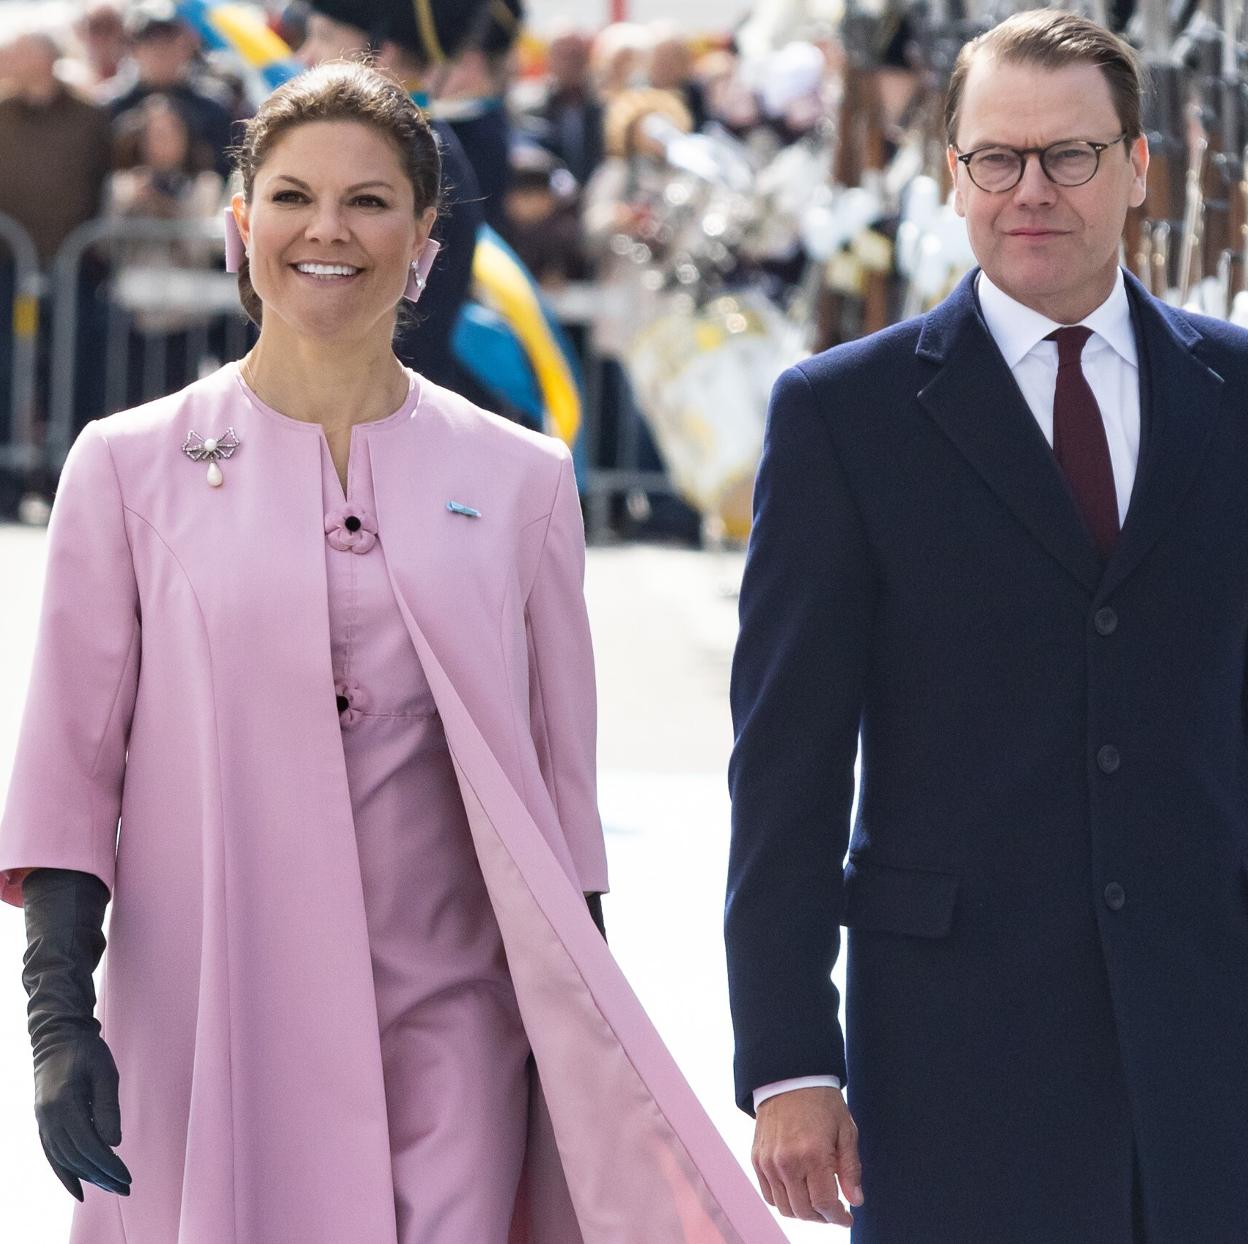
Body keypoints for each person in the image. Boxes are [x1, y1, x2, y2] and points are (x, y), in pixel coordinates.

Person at [0, 60, 785, 1244]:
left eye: (370, 201)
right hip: (213, 1014)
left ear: (425, 240)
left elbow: (561, 803)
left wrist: (580, 1054)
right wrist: (59, 1019)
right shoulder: (127, 466)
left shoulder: (523, 480)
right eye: (293, 195)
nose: (328, 228)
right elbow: (68, 765)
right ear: (240, 225)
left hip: (454, 1031)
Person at [726, 9, 1248, 1242]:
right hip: (954, 1048)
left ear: (1139, 169)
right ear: (950, 174)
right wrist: (790, 1056)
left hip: (1208, 1029)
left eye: (1071, 155)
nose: (1033, 190)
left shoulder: (1235, 396)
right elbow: (788, 763)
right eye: (996, 158)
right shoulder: (843, 417)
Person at [298, 0, 483, 395]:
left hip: (380, 407)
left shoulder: (413, 156)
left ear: (384, 53)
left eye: (325, 36)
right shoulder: (422, 145)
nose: (306, 55)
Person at [105, 2, 236, 179]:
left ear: (187, 47)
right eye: (151, 42)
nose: (161, 51)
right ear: (134, 50)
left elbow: (229, 171)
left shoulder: (214, 108)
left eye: (169, 41)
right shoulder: (114, 108)